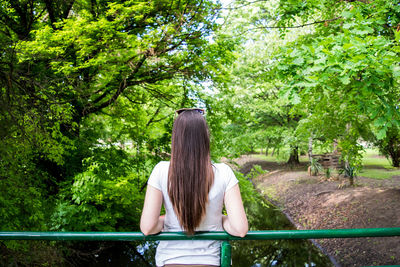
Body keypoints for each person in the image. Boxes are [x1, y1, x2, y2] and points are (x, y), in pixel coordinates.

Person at [140, 108, 248, 267]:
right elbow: (240, 229)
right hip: (211, 261)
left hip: (170, 260)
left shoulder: (161, 170)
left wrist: (168, 219)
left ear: (176, 138)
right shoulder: (224, 172)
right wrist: (219, 219)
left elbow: (148, 228)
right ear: (205, 137)